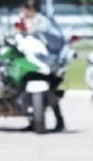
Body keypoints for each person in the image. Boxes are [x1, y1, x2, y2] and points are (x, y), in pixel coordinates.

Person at [18, 0, 65, 132]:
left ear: (31, 8)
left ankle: (59, 121)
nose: (23, 11)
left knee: (52, 92)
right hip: (34, 59)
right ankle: (34, 121)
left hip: (43, 60)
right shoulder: (26, 20)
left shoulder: (41, 20)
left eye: (25, 8)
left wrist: (27, 27)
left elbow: (40, 34)